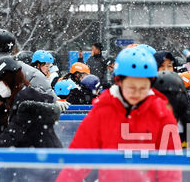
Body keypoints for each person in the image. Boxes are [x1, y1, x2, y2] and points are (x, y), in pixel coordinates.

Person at [56, 46, 182, 182]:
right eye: (131, 87)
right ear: (119, 82)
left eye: (143, 88)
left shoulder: (161, 114)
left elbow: (170, 168)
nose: (137, 93)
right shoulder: (102, 111)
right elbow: (78, 159)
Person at [0, 57, 64, 182]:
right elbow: (3, 131)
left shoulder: (26, 98)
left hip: (43, 165)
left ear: (8, 79)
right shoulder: (15, 98)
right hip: (34, 164)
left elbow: (13, 132)